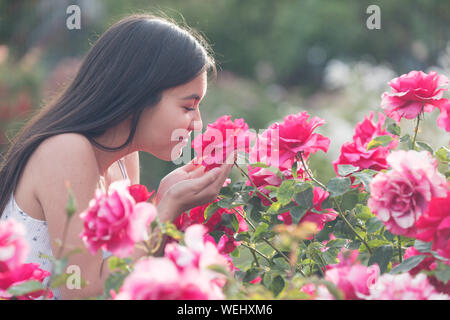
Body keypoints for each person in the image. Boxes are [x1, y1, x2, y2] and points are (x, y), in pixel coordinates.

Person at [0, 14, 233, 299]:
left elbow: (119, 276)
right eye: (187, 107)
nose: (197, 123)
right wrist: (167, 207)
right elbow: (82, 293)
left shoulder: (123, 162)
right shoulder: (66, 150)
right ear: (139, 94)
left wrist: (164, 198)